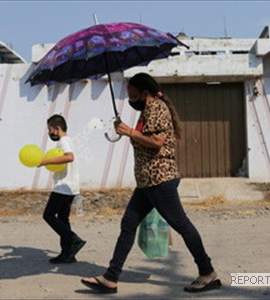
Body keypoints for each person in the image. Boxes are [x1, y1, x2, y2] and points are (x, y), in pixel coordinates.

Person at [81, 73, 221, 293]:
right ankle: (110, 278)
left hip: (160, 179)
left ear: (144, 93)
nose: (130, 98)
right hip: (147, 181)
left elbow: (156, 143)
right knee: (128, 224)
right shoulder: (147, 110)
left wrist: (129, 131)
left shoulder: (157, 109)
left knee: (181, 224)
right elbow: (144, 139)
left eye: (132, 94)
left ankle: (208, 273)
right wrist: (127, 131)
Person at [39, 114, 86, 264]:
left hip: (63, 187)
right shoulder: (68, 141)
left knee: (48, 215)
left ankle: (73, 239)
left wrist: (46, 161)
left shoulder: (63, 141)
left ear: (57, 128)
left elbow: (69, 157)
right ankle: (67, 254)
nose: (49, 133)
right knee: (63, 218)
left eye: (50, 129)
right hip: (70, 187)